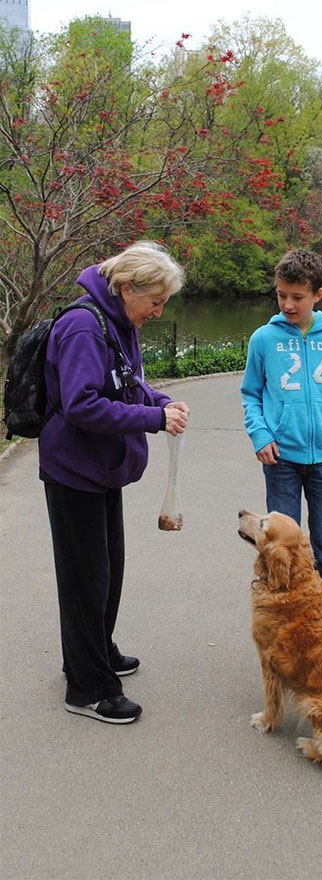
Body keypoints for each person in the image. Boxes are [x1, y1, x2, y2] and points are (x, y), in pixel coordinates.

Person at [40, 241, 190, 724]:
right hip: (73, 472)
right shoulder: (84, 325)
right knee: (86, 579)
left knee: (107, 570)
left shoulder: (117, 322)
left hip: (99, 472)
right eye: (155, 301)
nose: (158, 310)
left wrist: (160, 400)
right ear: (127, 288)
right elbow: (81, 404)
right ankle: (86, 688)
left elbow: (125, 381)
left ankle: (96, 652)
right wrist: (152, 419)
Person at [240, 249, 322, 603]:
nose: (288, 304)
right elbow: (250, 393)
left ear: (317, 295)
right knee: (277, 547)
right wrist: (261, 434)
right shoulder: (263, 339)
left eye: (297, 297)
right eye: (282, 295)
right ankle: (284, 612)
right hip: (281, 460)